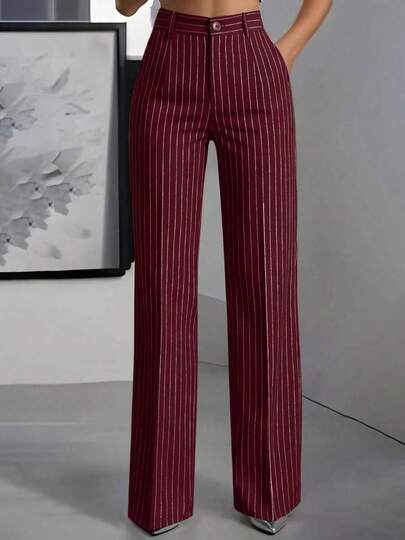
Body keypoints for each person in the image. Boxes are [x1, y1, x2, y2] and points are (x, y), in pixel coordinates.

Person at [116, 0, 333, 535]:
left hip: (251, 63)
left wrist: (285, 52)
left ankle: (270, 490)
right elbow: (123, 5)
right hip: (170, 63)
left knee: (267, 280)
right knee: (163, 286)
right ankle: (159, 497)